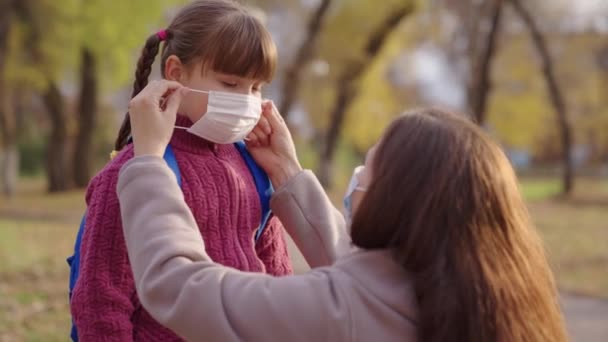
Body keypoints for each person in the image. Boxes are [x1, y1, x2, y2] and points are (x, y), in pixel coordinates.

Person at [117, 80, 568, 342]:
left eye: (367, 169)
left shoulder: (340, 311)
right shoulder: (497, 296)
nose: (356, 181)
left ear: (397, 199)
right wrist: (288, 173)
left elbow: (179, 286)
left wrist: (151, 164)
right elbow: (366, 281)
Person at [70, 1, 293, 340]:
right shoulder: (132, 173)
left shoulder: (252, 165)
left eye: (256, 88)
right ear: (175, 74)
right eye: (230, 84)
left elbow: (277, 275)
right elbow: (100, 298)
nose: (247, 101)